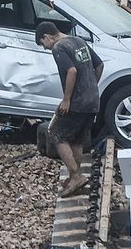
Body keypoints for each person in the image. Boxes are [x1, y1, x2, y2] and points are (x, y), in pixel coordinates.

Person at [37, 21, 103, 198]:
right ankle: (77, 176)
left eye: (44, 45)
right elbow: (99, 65)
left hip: (77, 102)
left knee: (55, 133)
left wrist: (66, 99)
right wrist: (91, 86)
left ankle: (75, 175)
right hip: (93, 100)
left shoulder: (59, 47)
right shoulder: (79, 41)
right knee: (76, 139)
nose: (46, 49)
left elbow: (71, 71)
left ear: (48, 36)